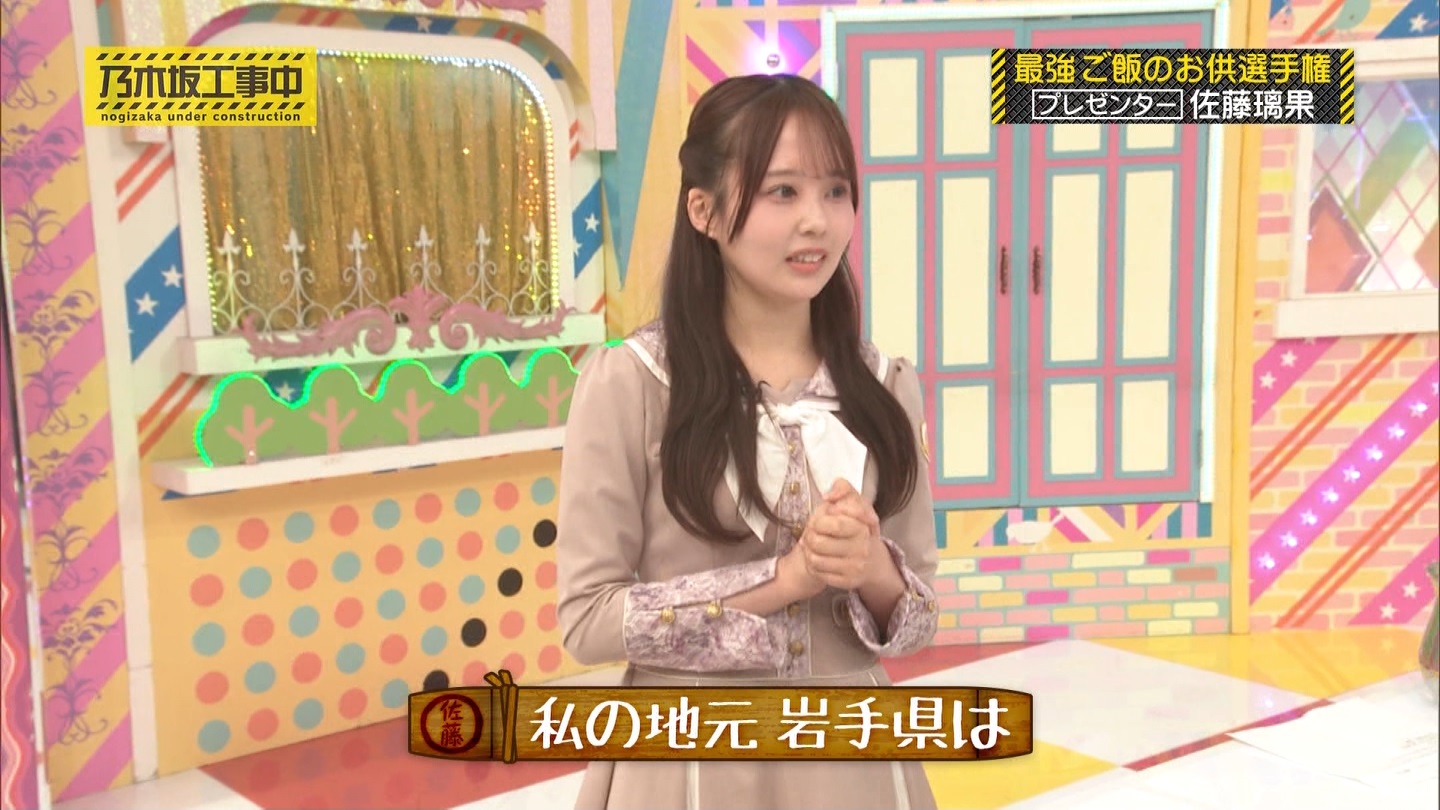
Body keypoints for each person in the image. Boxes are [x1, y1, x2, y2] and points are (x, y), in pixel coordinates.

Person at [556, 73, 940, 810]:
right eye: (782, 191)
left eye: (835, 191)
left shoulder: (884, 385)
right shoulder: (630, 383)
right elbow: (588, 619)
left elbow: (918, 616)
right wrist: (783, 582)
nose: (817, 222)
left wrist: (871, 569)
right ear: (702, 210)